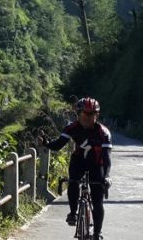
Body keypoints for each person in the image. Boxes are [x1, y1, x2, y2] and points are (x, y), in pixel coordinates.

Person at [40, 97, 112, 238]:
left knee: (97, 200)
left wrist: (107, 176)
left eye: (91, 114)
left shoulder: (103, 133)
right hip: (79, 161)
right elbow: (58, 144)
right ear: (78, 114)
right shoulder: (72, 128)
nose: (87, 117)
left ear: (96, 115)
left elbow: (106, 158)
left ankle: (97, 234)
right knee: (73, 182)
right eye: (83, 114)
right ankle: (73, 213)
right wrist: (46, 142)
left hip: (97, 164)